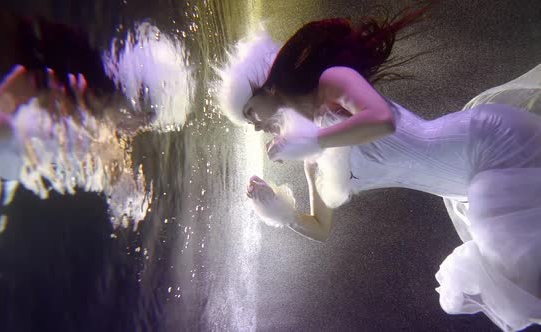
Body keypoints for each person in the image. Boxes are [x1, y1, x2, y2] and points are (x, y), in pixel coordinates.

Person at [217, 4, 541, 332]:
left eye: (250, 113)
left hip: (492, 145)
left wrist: (316, 139)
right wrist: (276, 210)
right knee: (520, 273)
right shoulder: (313, 157)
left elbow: (380, 120)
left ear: (266, 85)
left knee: (519, 273)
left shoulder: (333, 82)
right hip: (467, 183)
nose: (256, 127)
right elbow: (320, 228)